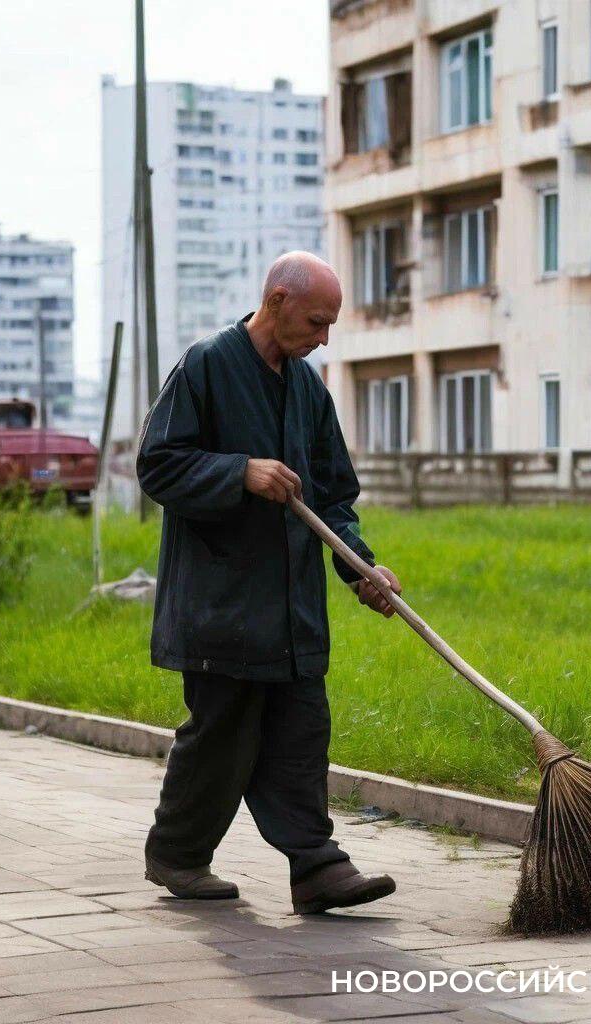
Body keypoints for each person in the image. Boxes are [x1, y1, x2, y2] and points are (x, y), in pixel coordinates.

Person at [137, 251, 403, 914]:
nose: (324, 338)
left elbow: (334, 499)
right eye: (317, 320)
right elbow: (158, 465)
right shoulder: (207, 366)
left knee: (301, 730)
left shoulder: (309, 390)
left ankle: (316, 867)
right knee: (223, 735)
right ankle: (176, 854)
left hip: (292, 609)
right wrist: (240, 474)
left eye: (330, 325)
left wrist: (360, 568)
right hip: (221, 601)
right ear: (278, 299)